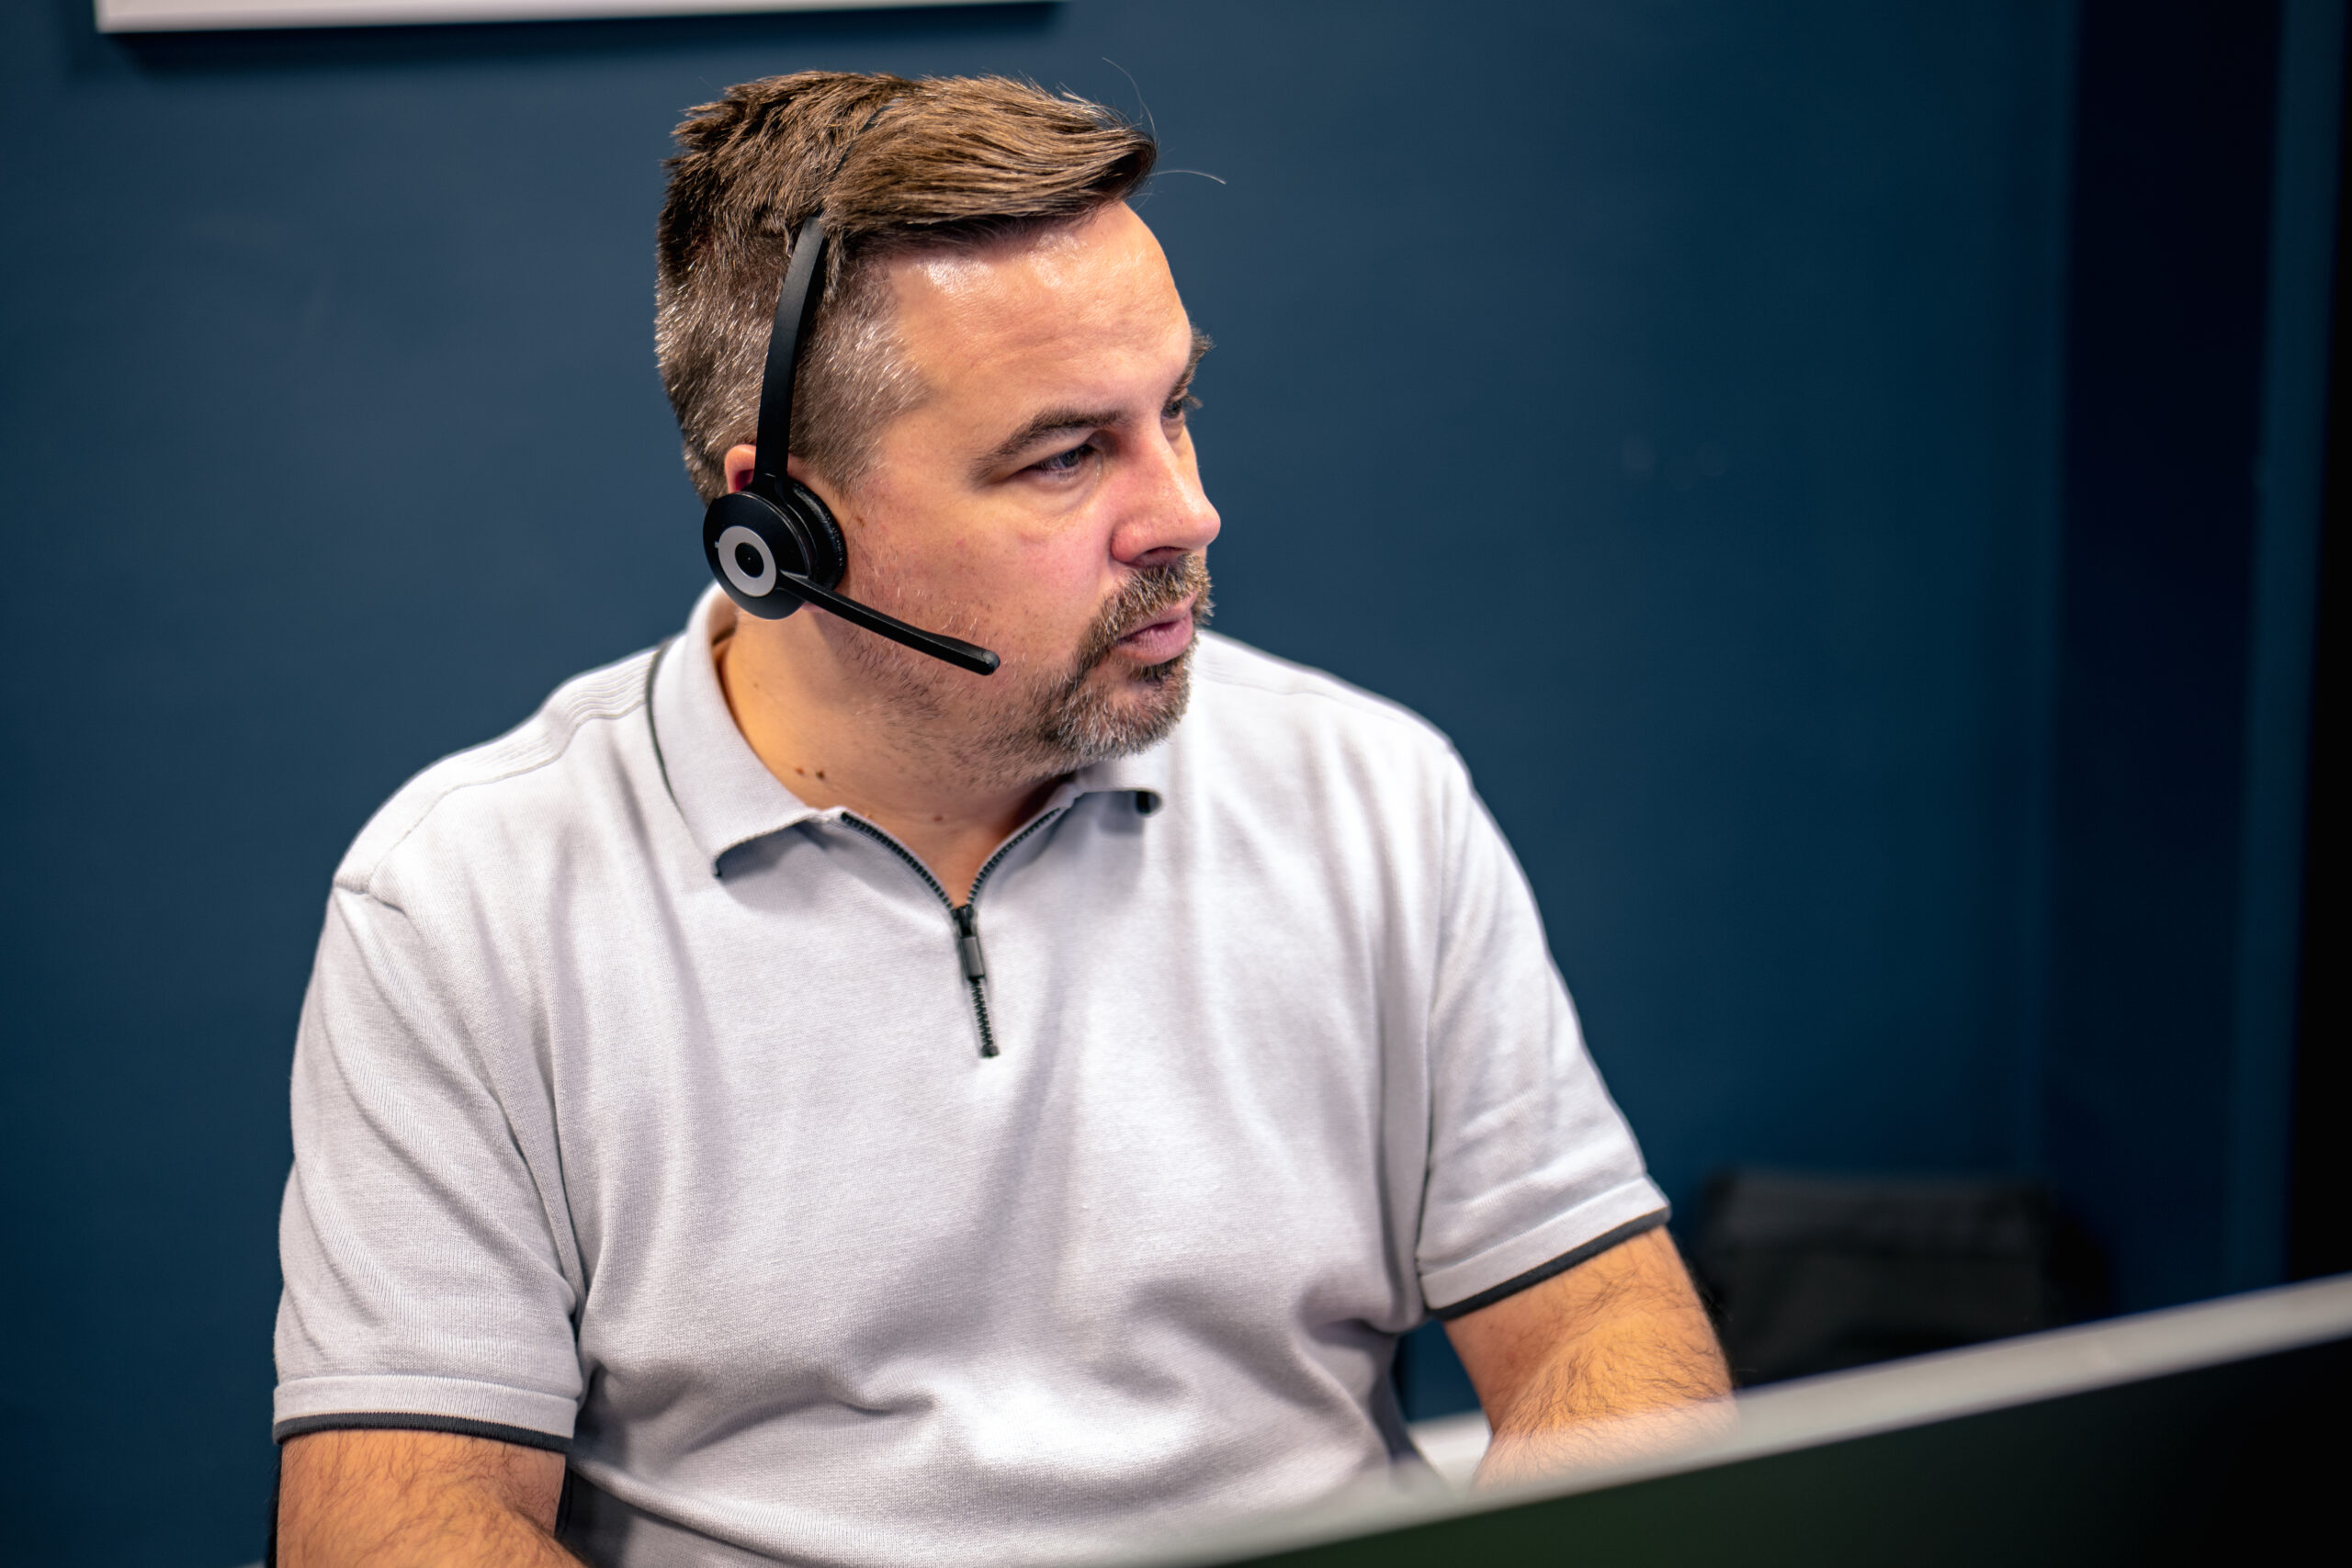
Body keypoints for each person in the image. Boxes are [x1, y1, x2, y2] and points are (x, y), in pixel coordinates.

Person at [270, 71, 1729, 1568]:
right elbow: (396, 1526)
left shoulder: (1371, 795)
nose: (1183, 514)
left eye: (1177, 412)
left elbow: (1598, 1336)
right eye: (1066, 455)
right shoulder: (468, 899)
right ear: (785, 529)